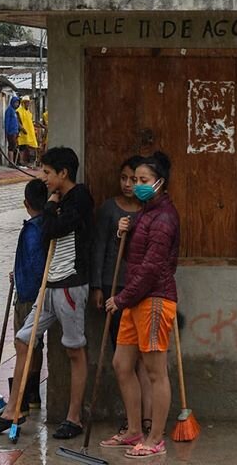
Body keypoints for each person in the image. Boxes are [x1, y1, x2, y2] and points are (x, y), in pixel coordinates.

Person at [0, 146, 94, 440]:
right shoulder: (56, 199)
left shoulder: (80, 197)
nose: (42, 177)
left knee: (74, 349)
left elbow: (56, 228)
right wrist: (52, 206)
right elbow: (47, 231)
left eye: (47, 172)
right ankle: (12, 411)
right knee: (24, 340)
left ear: (63, 173)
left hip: (70, 284)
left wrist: (51, 207)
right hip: (49, 284)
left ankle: (74, 417)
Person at [100, 151, 179, 459]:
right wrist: (127, 230)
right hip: (137, 300)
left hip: (154, 299)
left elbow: (151, 268)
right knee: (122, 364)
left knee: (156, 371)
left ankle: (155, 437)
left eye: (143, 180)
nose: (136, 185)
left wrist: (121, 298)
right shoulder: (146, 213)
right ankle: (134, 430)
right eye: (134, 180)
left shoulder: (164, 218)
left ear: (160, 183)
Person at [90, 155, 152, 435]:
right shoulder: (108, 210)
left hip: (141, 290)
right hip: (114, 287)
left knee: (142, 361)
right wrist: (97, 286)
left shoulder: (150, 212)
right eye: (124, 178)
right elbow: (99, 247)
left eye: (135, 179)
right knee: (122, 360)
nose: (128, 184)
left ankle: (145, 420)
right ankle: (133, 420)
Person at [0, 177, 48, 415]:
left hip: (28, 295)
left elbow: (35, 263)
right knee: (34, 346)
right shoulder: (44, 225)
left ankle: (22, 399)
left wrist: (24, 280)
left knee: (24, 344)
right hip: (32, 290)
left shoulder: (32, 230)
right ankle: (31, 395)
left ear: (26, 203)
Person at [17, 96, 38, 165]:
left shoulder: (29, 112)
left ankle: (31, 162)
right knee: (22, 147)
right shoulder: (19, 111)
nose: (27, 104)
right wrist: (22, 129)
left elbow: (31, 121)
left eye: (28, 102)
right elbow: (18, 122)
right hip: (23, 132)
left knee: (32, 146)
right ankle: (21, 161)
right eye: (26, 102)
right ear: (23, 103)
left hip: (30, 132)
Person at [4, 95, 22, 163]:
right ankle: (11, 162)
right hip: (11, 132)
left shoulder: (14, 111)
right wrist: (7, 131)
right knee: (11, 146)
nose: (16, 104)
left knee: (14, 146)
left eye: (17, 103)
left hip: (15, 131)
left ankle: (14, 162)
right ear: (12, 102)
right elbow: (7, 121)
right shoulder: (9, 110)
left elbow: (16, 122)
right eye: (15, 102)